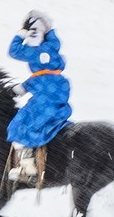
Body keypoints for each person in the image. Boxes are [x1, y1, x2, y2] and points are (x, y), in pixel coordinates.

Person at [7, 10, 72, 181]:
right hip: (58, 91)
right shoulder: (52, 48)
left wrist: (21, 32)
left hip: (45, 96)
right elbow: (42, 77)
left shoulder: (34, 51)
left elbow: (14, 51)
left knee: (20, 123)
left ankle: (28, 169)